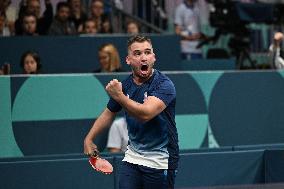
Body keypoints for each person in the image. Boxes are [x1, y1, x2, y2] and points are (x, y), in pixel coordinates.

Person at [84, 35, 179, 189]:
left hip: (161, 161)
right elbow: (108, 113)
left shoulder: (164, 85)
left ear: (154, 57)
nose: (144, 58)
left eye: (147, 52)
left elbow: (145, 114)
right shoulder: (126, 85)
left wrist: (119, 96)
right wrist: (89, 139)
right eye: (137, 53)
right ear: (128, 60)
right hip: (132, 159)